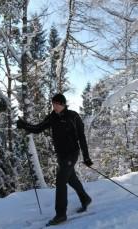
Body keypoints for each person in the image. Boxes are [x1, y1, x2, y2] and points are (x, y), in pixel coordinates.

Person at [17, 93, 93, 226]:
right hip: (61, 155)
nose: (54, 107)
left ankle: (61, 214)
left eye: (57, 104)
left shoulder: (73, 116)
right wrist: (24, 125)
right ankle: (85, 198)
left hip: (72, 153)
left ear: (63, 104)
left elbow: (81, 137)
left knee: (60, 181)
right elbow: (38, 128)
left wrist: (86, 156)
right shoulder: (52, 117)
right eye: (53, 104)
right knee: (71, 179)